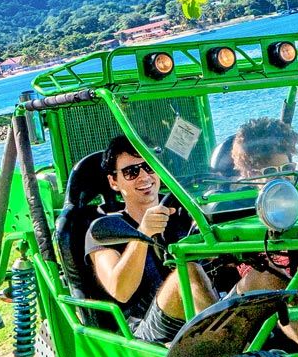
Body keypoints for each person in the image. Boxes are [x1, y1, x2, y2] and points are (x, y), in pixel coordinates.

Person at [87, 135, 216, 344]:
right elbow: (120, 290)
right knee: (187, 271)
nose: (144, 177)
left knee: (267, 274)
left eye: (149, 166)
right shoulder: (105, 231)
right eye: (131, 172)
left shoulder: (184, 214)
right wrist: (143, 233)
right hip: (146, 331)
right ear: (114, 182)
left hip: (208, 306)